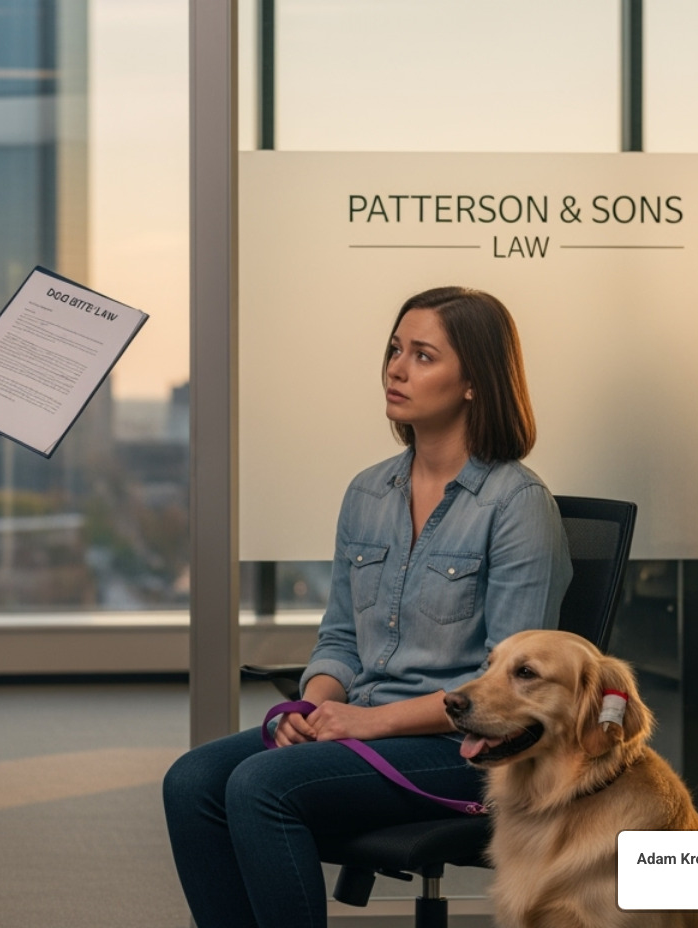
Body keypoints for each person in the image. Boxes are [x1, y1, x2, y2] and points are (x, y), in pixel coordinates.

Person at [162, 285, 572, 928]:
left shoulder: (517, 505)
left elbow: (509, 693)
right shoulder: (368, 492)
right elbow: (340, 637)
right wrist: (315, 705)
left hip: (465, 748)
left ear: (474, 382)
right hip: (363, 725)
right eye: (394, 350)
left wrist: (367, 723)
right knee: (191, 781)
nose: (396, 369)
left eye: (423, 356)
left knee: (260, 786)